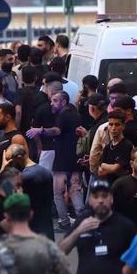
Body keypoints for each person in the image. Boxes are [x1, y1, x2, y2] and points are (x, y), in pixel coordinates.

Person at [5, 143, 56, 240]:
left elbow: (12, 199)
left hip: (31, 229)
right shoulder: (47, 172)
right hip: (47, 228)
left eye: (11, 160)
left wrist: (4, 169)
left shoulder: (24, 177)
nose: (11, 163)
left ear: (19, 157)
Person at [49, 91, 83, 231]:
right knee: (75, 190)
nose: (52, 103)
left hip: (61, 160)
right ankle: (82, 221)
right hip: (75, 158)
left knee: (58, 193)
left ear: (64, 102)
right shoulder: (76, 114)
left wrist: (41, 130)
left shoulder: (62, 115)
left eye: (55, 100)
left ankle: (64, 222)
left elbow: (57, 131)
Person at [97, 111, 135, 185]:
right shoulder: (108, 146)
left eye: (117, 125)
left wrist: (105, 167)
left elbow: (115, 168)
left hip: (122, 186)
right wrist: (110, 168)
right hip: (109, 186)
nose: (113, 128)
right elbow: (100, 171)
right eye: (111, 124)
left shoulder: (127, 145)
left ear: (123, 126)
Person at [0, 102, 27, 172]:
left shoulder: (17, 138)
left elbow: (20, 165)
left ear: (7, 117)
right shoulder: (0, 134)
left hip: (7, 179)